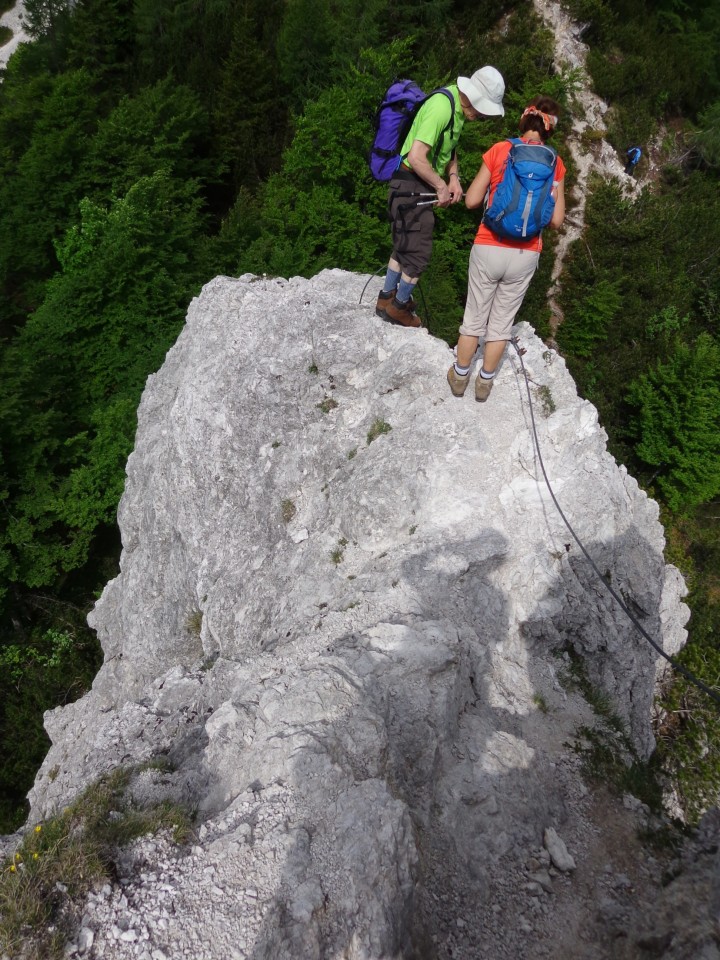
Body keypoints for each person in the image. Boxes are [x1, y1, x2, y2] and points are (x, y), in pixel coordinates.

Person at [447, 96, 566, 401]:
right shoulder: (556, 163)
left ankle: (460, 377)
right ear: (550, 130)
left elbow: (472, 200)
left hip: (489, 243)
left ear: (524, 121)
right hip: (526, 252)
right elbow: (556, 220)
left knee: (474, 316)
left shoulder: (501, 150)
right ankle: (484, 384)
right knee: (501, 323)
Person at [376, 66, 506, 328]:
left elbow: (449, 147)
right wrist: (440, 186)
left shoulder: (456, 109)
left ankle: (385, 298)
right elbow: (416, 156)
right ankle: (398, 308)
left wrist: (454, 177)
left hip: (412, 185)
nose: (480, 116)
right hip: (411, 183)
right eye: (482, 110)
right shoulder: (442, 107)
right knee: (419, 252)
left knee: (405, 243)